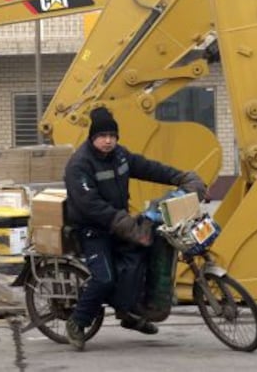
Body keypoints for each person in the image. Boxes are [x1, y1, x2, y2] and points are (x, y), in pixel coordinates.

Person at [64, 106, 207, 351]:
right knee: (105, 278)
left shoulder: (120, 155)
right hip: (92, 230)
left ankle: (129, 312)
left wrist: (181, 178)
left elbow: (149, 168)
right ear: (92, 137)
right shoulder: (79, 165)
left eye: (112, 135)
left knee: (144, 255)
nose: (108, 141)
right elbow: (89, 205)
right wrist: (122, 221)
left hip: (119, 224)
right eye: (102, 136)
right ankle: (77, 323)